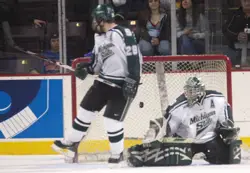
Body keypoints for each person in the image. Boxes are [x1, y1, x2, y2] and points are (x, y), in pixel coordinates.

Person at [52, 4, 142, 164]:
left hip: (122, 84)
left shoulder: (123, 32)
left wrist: (133, 79)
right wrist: (85, 68)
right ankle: (71, 143)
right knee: (85, 111)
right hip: (103, 82)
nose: (93, 22)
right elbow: (96, 64)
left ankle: (117, 153)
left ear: (102, 19)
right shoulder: (98, 37)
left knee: (112, 121)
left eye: (95, 19)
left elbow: (134, 57)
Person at [127, 77, 242, 167]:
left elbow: (225, 121)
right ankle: (140, 152)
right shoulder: (178, 108)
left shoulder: (217, 99)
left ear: (201, 91)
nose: (189, 94)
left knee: (228, 158)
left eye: (192, 91)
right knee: (177, 160)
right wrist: (157, 141)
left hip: (210, 140)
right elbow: (168, 133)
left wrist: (228, 129)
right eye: (188, 91)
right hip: (186, 143)